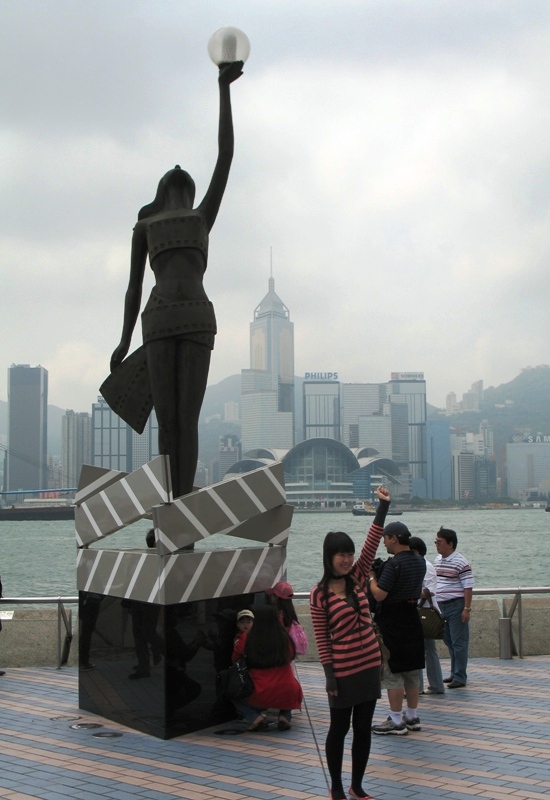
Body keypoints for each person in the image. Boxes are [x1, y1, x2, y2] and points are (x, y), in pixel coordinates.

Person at [101, 60, 244, 500]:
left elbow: (226, 156)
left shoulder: (203, 215)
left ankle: (182, 505)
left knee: (188, 419)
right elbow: (133, 287)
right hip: (160, 320)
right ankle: (170, 504)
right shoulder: (145, 226)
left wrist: (224, 89)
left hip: (195, 319)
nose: (178, 167)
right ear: (162, 191)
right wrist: (124, 340)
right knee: (168, 421)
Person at [310, 486, 391, 800]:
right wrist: (330, 675)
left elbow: (373, 538)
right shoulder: (319, 594)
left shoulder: (358, 577)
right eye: (341, 554)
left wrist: (382, 505)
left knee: (363, 728)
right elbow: (321, 638)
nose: (347, 559)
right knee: (339, 729)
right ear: (329, 556)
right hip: (343, 672)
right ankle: (337, 787)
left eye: (349, 553)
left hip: (369, 664)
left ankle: (357, 785)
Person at [369, 522, 426, 736]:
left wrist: (372, 577)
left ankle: (395, 720)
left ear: (393, 538)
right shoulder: (419, 560)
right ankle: (411, 717)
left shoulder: (394, 565)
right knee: (412, 671)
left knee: (394, 672)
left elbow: (379, 595)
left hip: (392, 621)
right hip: (412, 617)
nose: (384, 542)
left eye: (385, 538)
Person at [231, 605, 303, 732]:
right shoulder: (284, 637)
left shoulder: (247, 638)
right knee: (291, 685)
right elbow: (291, 656)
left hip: (258, 692)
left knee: (231, 690)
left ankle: (254, 717)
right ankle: (285, 716)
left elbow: (235, 658)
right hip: (288, 690)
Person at [434, 526, 474, 688]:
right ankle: (454, 672)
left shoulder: (461, 562)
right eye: (435, 542)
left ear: (450, 544)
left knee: (459, 642)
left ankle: (460, 676)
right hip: (441, 606)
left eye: (439, 542)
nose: (436, 544)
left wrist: (466, 608)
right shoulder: (437, 560)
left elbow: (468, 586)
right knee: (449, 640)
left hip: (456, 605)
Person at [409, 536, 445, 695]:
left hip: (423, 612)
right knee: (425, 649)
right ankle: (431, 686)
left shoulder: (426, 566)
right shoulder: (417, 565)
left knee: (426, 649)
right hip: (418, 611)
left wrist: (408, 592)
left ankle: (429, 686)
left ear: (416, 551)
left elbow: (429, 591)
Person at [266, 581, 308, 657]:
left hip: (278, 655)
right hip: (289, 655)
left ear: (276, 597)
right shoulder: (290, 616)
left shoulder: (276, 616)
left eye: (272, 595)